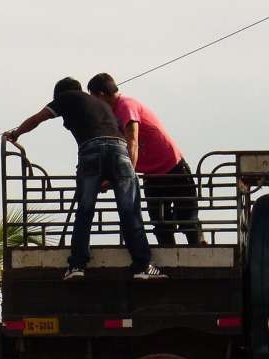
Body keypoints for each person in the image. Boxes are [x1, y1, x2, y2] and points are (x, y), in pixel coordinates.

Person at [4, 77, 166, 280]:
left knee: (85, 209)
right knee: (129, 209)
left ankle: (77, 265)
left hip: (92, 151)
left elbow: (38, 118)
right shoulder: (101, 103)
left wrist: (16, 133)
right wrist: (109, 176)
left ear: (60, 95)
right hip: (119, 151)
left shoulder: (66, 97)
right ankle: (143, 265)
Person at [87, 73, 203, 245]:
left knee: (187, 218)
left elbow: (131, 141)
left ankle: (198, 252)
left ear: (101, 95)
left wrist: (126, 175)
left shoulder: (126, 105)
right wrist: (106, 177)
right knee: (160, 222)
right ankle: (170, 259)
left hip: (172, 167)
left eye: (93, 98)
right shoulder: (110, 113)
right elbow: (113, 150)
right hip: (152, 174)